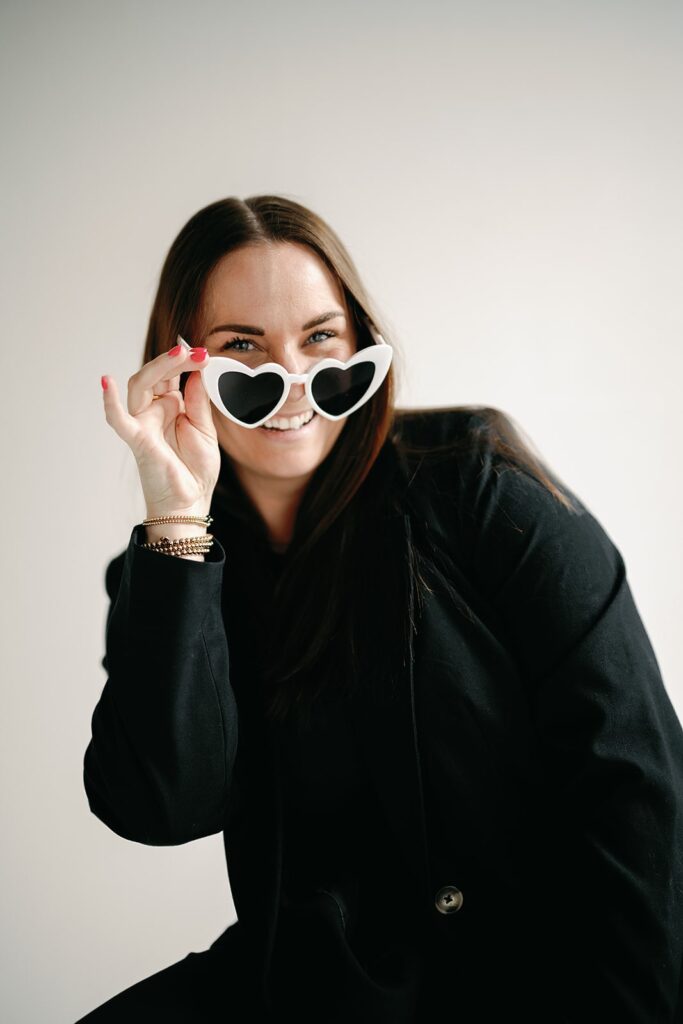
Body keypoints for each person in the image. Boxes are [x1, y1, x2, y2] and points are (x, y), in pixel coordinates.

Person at [77, 194, 683, 1023]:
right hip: (306, 989)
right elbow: (161, 808)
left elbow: (634, 779)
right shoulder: (166, 569)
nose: (291, 383)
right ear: (182, 368)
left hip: (531, 977)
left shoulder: (477, 484)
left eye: (320, 338)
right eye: (242, 348)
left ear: (359, 343)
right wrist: (177, 522)